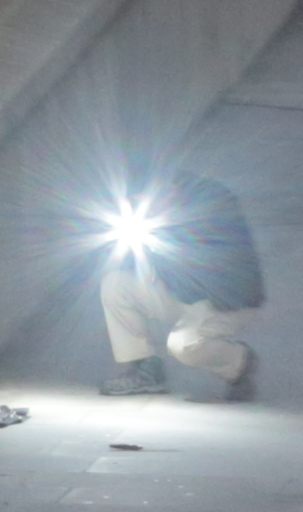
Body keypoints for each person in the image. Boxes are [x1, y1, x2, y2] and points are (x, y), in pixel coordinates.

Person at [98, 170, 265, 402]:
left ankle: (238, 363)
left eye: (141, 202)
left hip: (225, 300)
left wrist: (165, 229)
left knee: (185, 346)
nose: (141, 210)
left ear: (161, 187)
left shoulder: (209, 200)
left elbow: (208, 255)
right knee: (116, 285)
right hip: (180, 290)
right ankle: (145, 371)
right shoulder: (155, 213)